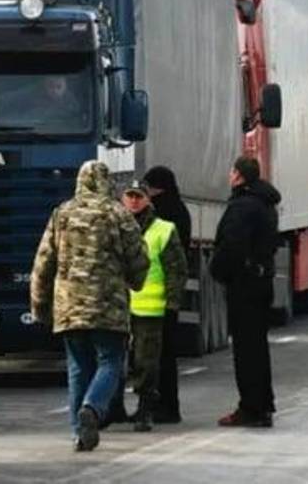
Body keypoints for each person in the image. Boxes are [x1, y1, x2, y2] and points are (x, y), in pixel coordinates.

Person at [30, 161, 148, 453]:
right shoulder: (118, 214)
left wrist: (40, 306)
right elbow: (138, 258)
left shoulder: (62, 214)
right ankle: (92, 409)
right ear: (107, 183)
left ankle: (79, 434)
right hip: (108, 306)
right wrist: (136, 281)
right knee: (110, 361)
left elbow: (43, 263)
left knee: (78, 367)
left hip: (69, 306)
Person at [210, 156, 281, 427]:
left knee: (246, 351)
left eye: (232, 171)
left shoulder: (242, 207)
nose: (229, 176)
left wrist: (218, 271)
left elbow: (231, 246)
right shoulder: (266, 204)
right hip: (262, 281)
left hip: (245, 285)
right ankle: (263, 405)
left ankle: (250, 407)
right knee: (258, 348)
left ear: (239, 176)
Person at [120, 180, 187, 433]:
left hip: (151, 309)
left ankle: (146, 409)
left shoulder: (163, 229)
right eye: (130, 196)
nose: (134, 201)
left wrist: (172, 303)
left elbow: (176, 269)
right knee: (120, 361)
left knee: (146, 363)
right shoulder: (115, 227)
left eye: (139, 196)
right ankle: (115, 408)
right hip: (119, 308)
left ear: (148, 200)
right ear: (122, 199)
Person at [142, 165, 191, 424]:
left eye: (148, 187)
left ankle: (163, 406)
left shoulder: (160, 215)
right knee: (165, 354)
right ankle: (167, 405)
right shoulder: (180, 211)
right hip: (167, 295)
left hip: (154, 296)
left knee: (156, 356)